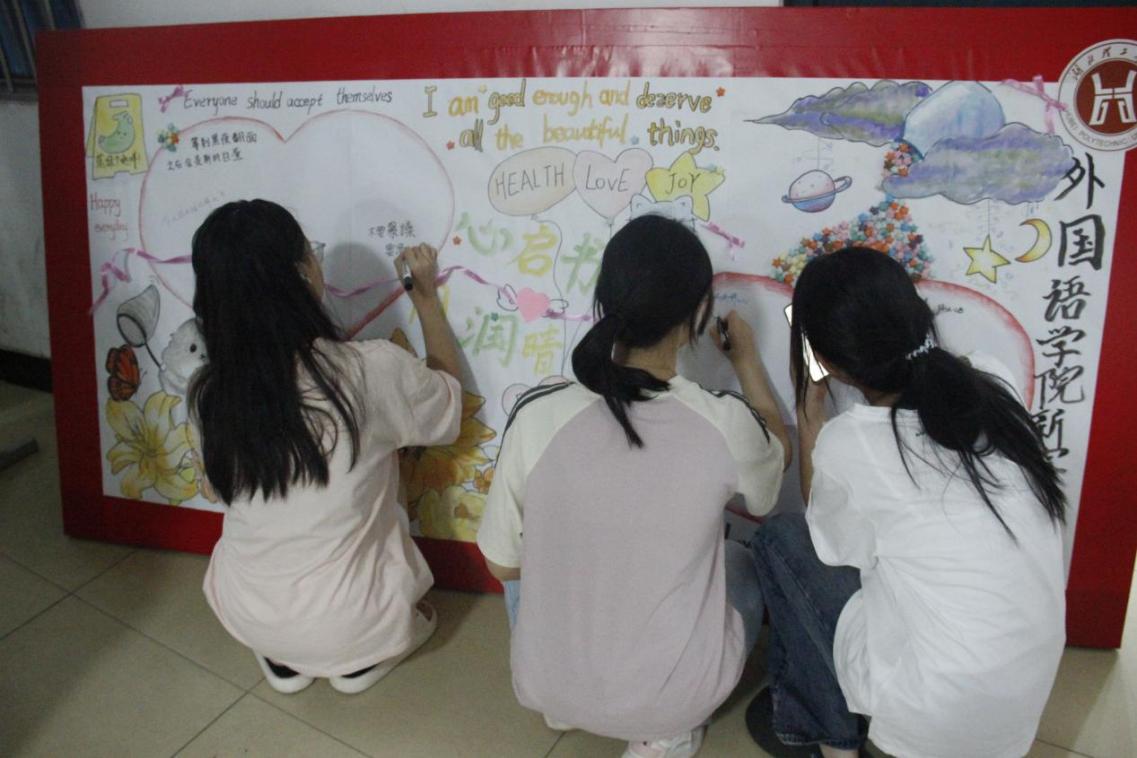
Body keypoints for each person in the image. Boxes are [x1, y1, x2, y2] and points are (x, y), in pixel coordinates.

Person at [477, 214, 791, 758]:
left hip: (543, 684)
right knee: (739, 562)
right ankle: (665, 735)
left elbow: (503, 568)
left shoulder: (538, 413)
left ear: (605, 301)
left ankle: (568, 700)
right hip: (668, 699)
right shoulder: (722, 422)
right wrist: (745, 361)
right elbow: (771, 473)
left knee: (525, 547)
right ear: (697, 315)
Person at [747, 247, 1066, 758]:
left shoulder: (853, 441)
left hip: (927, 719)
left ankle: (833, 740)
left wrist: (810, 410)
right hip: (1019, 706)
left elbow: (829, 546)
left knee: (781, 540)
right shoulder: (994, 381)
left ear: (826, 361)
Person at [190, 199, 464, 694]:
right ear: (302, 273)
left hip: (248, 612)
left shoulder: (208, 391)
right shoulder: (367, 369)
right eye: (311, 252)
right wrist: (425, 299)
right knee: (405, 605)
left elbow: (218, 486)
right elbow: (447, 406)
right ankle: (355, 659)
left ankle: (287, 659)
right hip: (353, 621)